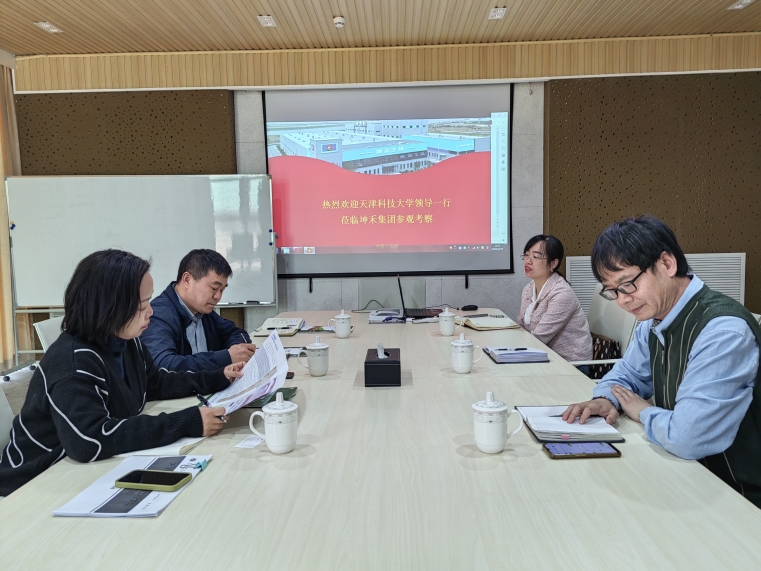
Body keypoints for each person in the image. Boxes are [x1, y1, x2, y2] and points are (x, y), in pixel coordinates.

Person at [0, 250, 242, 497]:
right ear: (109, 307)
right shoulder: (72, 361)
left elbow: (156, 383)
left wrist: (218, 377)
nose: (151, 312)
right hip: (33, 485)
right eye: (142, 305)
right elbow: (90, 440)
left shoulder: (126, 340)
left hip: (79, 474)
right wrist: (185, 422)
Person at [563, 215, 761, 508]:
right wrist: (606, 400)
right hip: (684, 473)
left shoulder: (722, 331)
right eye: (612, 291)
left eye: (627, 284)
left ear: (667, 264)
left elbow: (687, 436)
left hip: (736, 495)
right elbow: (626, 376)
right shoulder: (654, 320)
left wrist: (643, 411)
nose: (622, 300)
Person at [141, 249, 257, 371]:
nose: (218, 297)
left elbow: (234, 332)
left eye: (222, 290)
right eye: (214, 288)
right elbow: (163, 366)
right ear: (187, 280)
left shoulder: (202, 311)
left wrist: (238, 349)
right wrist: (226, 357)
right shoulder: (159, 316)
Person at [517, 235, 593, 366]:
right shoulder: (528, 289)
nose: (528, 261)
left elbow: (539, 338)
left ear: (553, 263)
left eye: (536, 257)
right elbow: (522, 327)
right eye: (526, 255)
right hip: (542, 356)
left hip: (571, 364)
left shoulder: (562, 294)